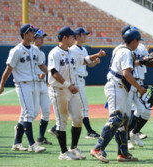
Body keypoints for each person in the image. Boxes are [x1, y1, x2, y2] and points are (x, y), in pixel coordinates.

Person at [47, 26, 106, 160]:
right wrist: (68, 85)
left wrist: (97, 55)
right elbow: (53, 72)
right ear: (64, 38)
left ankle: (73, 148)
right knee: (61, 121)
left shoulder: (71, 52)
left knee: (78, 119)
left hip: (71, 89)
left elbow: (83, 60)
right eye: (72, 36)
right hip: (59, 90)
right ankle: (63, 153)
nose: (74, 38)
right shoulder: (54, 53)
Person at [90, 28, 147, 163]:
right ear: (133, 41)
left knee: (124, 121)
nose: (138, 44)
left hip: (119, 87)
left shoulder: (122, 50)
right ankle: (98, 148)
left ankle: (123, 154)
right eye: (138, 41)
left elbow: (129, 66)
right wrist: (139, 88)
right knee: (116, 118)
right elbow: (127, 73)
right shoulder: (126, 52)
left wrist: (143, 61)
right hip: (116, 87)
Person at [0, 24, 47, 153]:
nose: (33, 34)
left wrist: (52, 75)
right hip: (23, 84)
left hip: (35, 83)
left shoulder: (35, 50)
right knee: (28, 113)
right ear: (25, 34)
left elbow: (42, 66)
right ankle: (32, 144)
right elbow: (8, 69)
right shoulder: (16, 50)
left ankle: (17, 142)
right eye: (31, 32)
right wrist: (1, 85)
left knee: (33, 113)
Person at [118, 26, 152, 150]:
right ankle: (126, 139)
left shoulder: (141, 48)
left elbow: (149, 62)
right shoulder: (121, 49)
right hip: (127, 83)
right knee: (126, 113)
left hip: (140, 81)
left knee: (146, 110)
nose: (138, 41)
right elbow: (127, 68)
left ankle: (134, 132)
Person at [70, 27, 101, 139]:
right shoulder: (72, 49)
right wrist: (96, 55)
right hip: (76, 78)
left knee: (78, 106)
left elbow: (88, 64)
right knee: (83, 106)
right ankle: (89, 131)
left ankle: (55, 128)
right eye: (84, 34)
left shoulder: (83, 49)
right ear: (77, 36)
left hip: (81, 78)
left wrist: (95, 63)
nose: (86, 36)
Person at [31, 29, 52, 145]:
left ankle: (41, 137)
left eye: (43, 37)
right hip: (33, 84)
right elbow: (26, 69)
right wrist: (36, 75)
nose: (42, 39)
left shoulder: (42, 53)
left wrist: (47, 81)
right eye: (39, 37)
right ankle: (19, 129)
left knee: (46, 111)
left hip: (43, 84)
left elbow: (43, 69)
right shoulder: (30, 51)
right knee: (33, 113)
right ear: (34, 38)